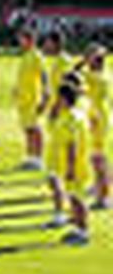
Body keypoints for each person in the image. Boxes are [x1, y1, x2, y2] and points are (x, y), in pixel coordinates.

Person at [45, 82, 92, 245]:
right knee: (74, 198)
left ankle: (83, 231)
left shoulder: (71, 118)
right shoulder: (74, 115)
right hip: (72, 164)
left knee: (77, 198)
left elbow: (72, 145)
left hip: (74, 166)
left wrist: (71, 168)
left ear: (64, 98)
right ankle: (79, 228)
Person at [76, 45, 109, 209]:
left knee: (98, 160)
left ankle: (103, 197)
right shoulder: (101, 76)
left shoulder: (93, 77)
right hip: (99, 119)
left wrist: (83, 61)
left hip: (97, 121)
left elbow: (74, 74)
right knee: (100, 159)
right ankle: (101, 191)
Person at [15, 27, 48, 170]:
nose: (20, 42)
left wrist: (45, 95)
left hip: (33, 98)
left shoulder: (36, 56)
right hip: (24, 99)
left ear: (30, 40)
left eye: (22, 39)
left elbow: (43, 76)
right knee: (27, 128)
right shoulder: (25, 56)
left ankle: (39, 158)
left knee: (35, 128)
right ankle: (30, 156)